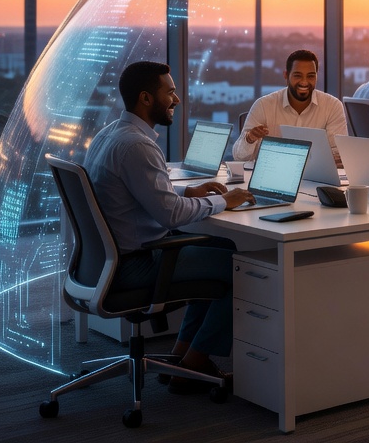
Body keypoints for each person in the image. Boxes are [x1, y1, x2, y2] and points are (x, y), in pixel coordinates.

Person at [83, 61, 252, 394]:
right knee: (240, 267)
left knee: (221, 248)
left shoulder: (111, 135)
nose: (176, 100)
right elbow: (171, 216)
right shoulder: (138, 146)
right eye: (170, 92)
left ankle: (181, 355)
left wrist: (187, 190)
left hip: (107, 260)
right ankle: (195, 362)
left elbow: (139, 191)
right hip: (134, 265)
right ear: (146, 98)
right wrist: (225, 201)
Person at [233, 49, 348, 164]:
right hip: (274, 176)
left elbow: (339, 153)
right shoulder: (263, 105)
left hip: (317, 178)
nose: (304, 82)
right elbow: (239, 157)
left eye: (310, 76)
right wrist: (250, 138)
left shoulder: (333, 106)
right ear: (286, 76)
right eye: (298, 76)